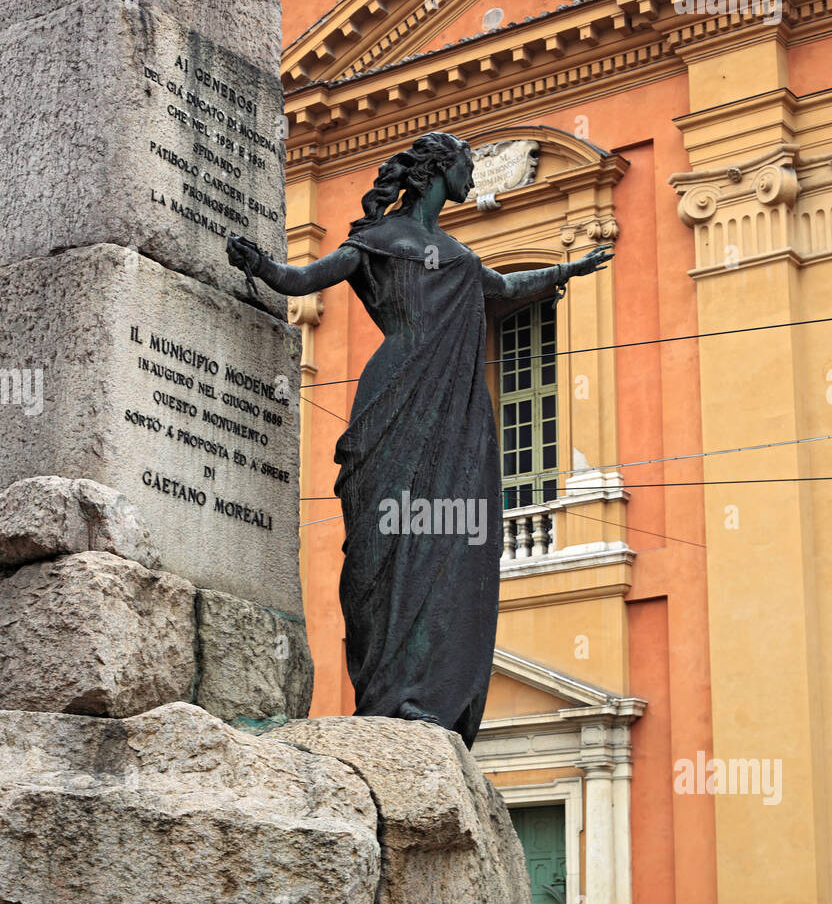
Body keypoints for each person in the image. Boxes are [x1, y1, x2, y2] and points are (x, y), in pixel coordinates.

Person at [228, 131, 612, 747]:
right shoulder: (376, 243)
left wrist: (568, 269)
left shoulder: (457, 256)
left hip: (454, 417)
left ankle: (427, 694)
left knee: (446, 547)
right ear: (438, 170)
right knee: (378, 550)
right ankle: (384, 688)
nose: (473, 175)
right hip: (394, 399)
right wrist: (259, 265)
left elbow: (508, 290)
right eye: (466, 164)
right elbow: (302, 280)